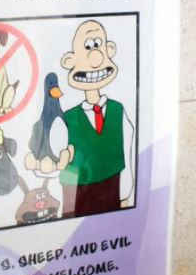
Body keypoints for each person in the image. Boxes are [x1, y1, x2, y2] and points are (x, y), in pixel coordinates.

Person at [25, 20, 134, 217]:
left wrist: (125, 195)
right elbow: (59, 158)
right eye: (88, 48)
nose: (95, 57)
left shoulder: (118, 111)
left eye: (98, 46)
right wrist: (68, 205)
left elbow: (128, 150)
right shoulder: (67, 119)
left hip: (112, 189)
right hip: (79, 194)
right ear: (70, 61)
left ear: (109, 50)